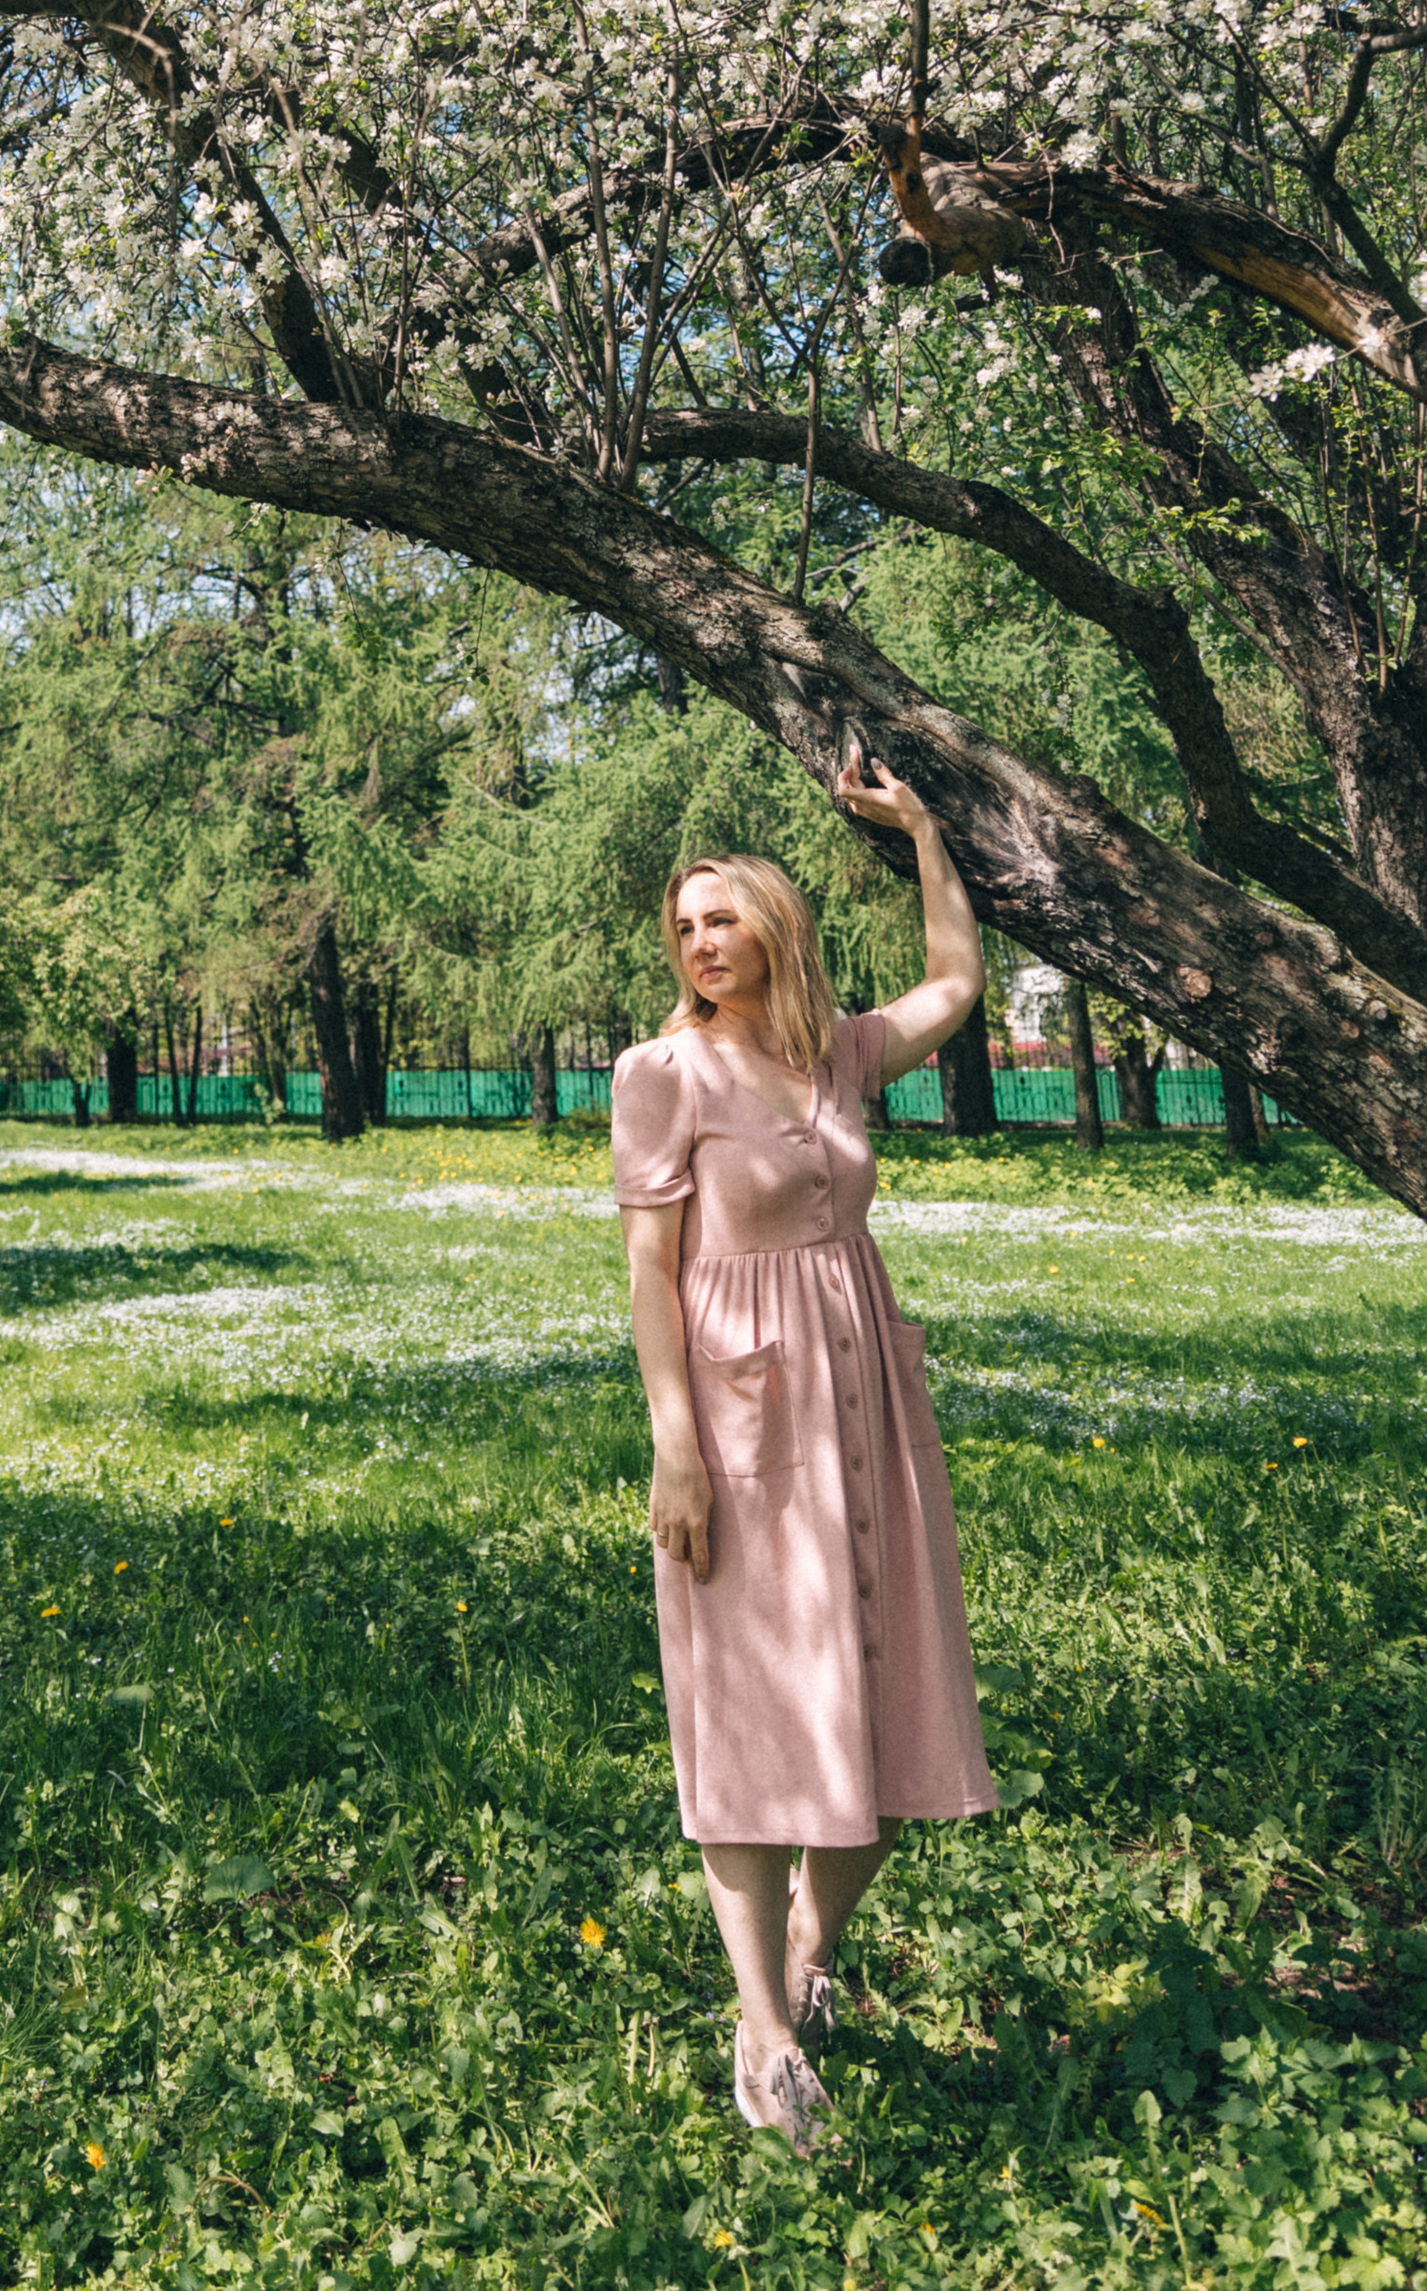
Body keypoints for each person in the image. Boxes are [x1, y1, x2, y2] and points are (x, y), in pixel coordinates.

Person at [611, 744, 996, 2150]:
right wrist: (676, 1446)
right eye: (684, 926)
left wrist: (924, 831)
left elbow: (956, 983)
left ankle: (809, 1952)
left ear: (776, 925)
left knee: (880, 1707)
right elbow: (650, 1272)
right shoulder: (662, 1073)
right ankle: (763, 2035)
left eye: (723, 917)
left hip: (865, 1401)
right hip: (738, 1420)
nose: (701, 943)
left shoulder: (835, 1051)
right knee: (751, 1716)